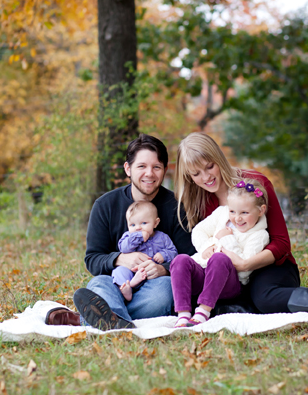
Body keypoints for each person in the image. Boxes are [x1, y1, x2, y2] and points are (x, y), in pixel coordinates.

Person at [174, 132, 308, 317]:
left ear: (219, 159)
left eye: (209, 167)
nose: (206, 177)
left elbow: (281, 243)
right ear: (189, 176)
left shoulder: (254, 185)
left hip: (268, 266)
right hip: (228, 274)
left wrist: (246, 264)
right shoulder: (198, 201)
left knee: (265, 298)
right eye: (196, 173)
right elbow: (199, 242)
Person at [46, 134, 196, 330]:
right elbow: (93, 259)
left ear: (165, 170)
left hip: (155, 286)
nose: (149, 173)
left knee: (167, 291)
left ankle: (89, 318)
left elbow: (190, 258)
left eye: (156, 167)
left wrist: (164, 268)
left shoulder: (177, 207)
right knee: (99, 282)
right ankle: (116, 318)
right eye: (141, 166)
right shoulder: (105, 205)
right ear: (128, 169)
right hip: (117, 284)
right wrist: (120, 259)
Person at [171, 177, 270, 327]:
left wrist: (227, 239)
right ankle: (183, 314)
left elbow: (244, 271)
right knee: (180, 260)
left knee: (219, 259)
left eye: (244, 212)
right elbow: (199, 230)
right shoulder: (221, 214)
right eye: (232, 211)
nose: (237, 218)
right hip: (203, 274)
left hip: (229, 284)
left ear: (260, 210)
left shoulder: (259, 235)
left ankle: (203, 311)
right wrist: (205, 247)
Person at [113, 200, 178, 301]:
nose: (138, 228)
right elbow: (123, 248)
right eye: (132, 225)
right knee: (119, 271)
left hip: (150, 278)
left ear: (155, 223)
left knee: (166, 285)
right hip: (131, 272)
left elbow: (173, 252)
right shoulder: (128, 236)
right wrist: (139, 237)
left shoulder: (162, 237)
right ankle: (126, 288)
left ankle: (131, 291)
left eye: (143, 223)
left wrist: (163, 255)